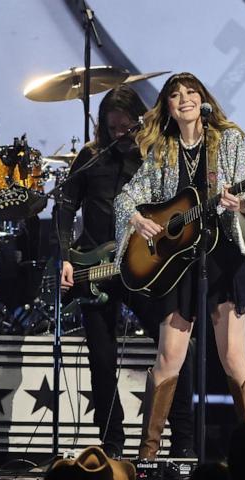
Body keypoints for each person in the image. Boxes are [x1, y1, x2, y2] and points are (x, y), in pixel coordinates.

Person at [114, 72, 245, 461]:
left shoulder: (227, 140)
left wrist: (240, 206)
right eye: (175, 94)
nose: (184, 99)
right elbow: (127, 198)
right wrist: (136, 218)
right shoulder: (162, 149)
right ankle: (147, 456)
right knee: (169, 356)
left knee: (233, 354)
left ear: (203, 100)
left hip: (225, 255)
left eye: (191, 92)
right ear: (166, 106)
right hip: (181, 261)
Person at [55, 85, 195, 459]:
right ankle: (111, 443)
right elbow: (65, 207)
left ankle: (182, 440)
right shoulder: (90, 156)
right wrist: (65, 256)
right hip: (95, 266)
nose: (120, 134)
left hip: (144, 266)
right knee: (101, 359)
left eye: (126, 126)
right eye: (112, 127)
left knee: (173, 351)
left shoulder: (157, 155)